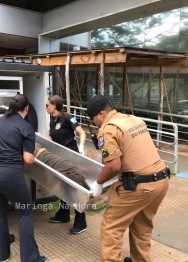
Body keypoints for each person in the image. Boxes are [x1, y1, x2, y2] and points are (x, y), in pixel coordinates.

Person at [87, 94, 170, 262]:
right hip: (161, 181)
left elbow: (113, 166)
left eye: (92, 118)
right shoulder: (133, 119)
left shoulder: (108, 129)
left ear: (101, 114)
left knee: (112, 228)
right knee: (142, 227)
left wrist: (98, 183)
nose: (93, 123)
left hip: (137, 186)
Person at [0, 94, 47, 262]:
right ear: (26, 109)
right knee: (25, 212)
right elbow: (28, 159)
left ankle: (3, 256)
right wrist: (36, 155)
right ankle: (30, 258)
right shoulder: (26, 128)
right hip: (9, 175)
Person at [45, 95, 88, 234]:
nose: (45, 107)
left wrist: (81, 146)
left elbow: (82, 133)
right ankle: (63, 215)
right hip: (60, 158)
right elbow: (52, 138)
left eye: (47, 105)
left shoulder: (69, 118)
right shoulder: (52, 120)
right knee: (63, 186)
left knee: (74, 188)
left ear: (54, 106)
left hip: (71, 158)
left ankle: (81, 222)